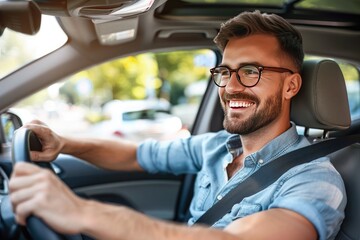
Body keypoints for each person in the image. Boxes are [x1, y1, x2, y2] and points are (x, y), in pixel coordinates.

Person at [9, 10, 346, 240]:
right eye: (225, 72)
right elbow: (138, 155)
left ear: (291, 86)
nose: (231, 87)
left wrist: (85, 213)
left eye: (251, 71)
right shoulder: (216, 147)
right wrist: (65, 144)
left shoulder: (315, 179)